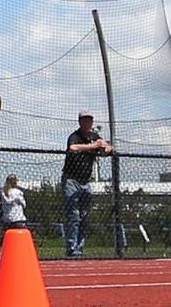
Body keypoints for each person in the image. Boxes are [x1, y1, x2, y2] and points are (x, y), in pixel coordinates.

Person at [62, 109, 113, 258]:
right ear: (80, 122)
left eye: (89, 120)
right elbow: (73, 148)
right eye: (84, 120)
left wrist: (107, 147)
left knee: (84, 216)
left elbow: (105, 148)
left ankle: (80, 247)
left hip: (86, 182)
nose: (87, 122)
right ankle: (71, 248)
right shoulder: (75, 136)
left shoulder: (94, 136)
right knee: (74, 215)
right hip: (72, 180)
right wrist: (93, 146)